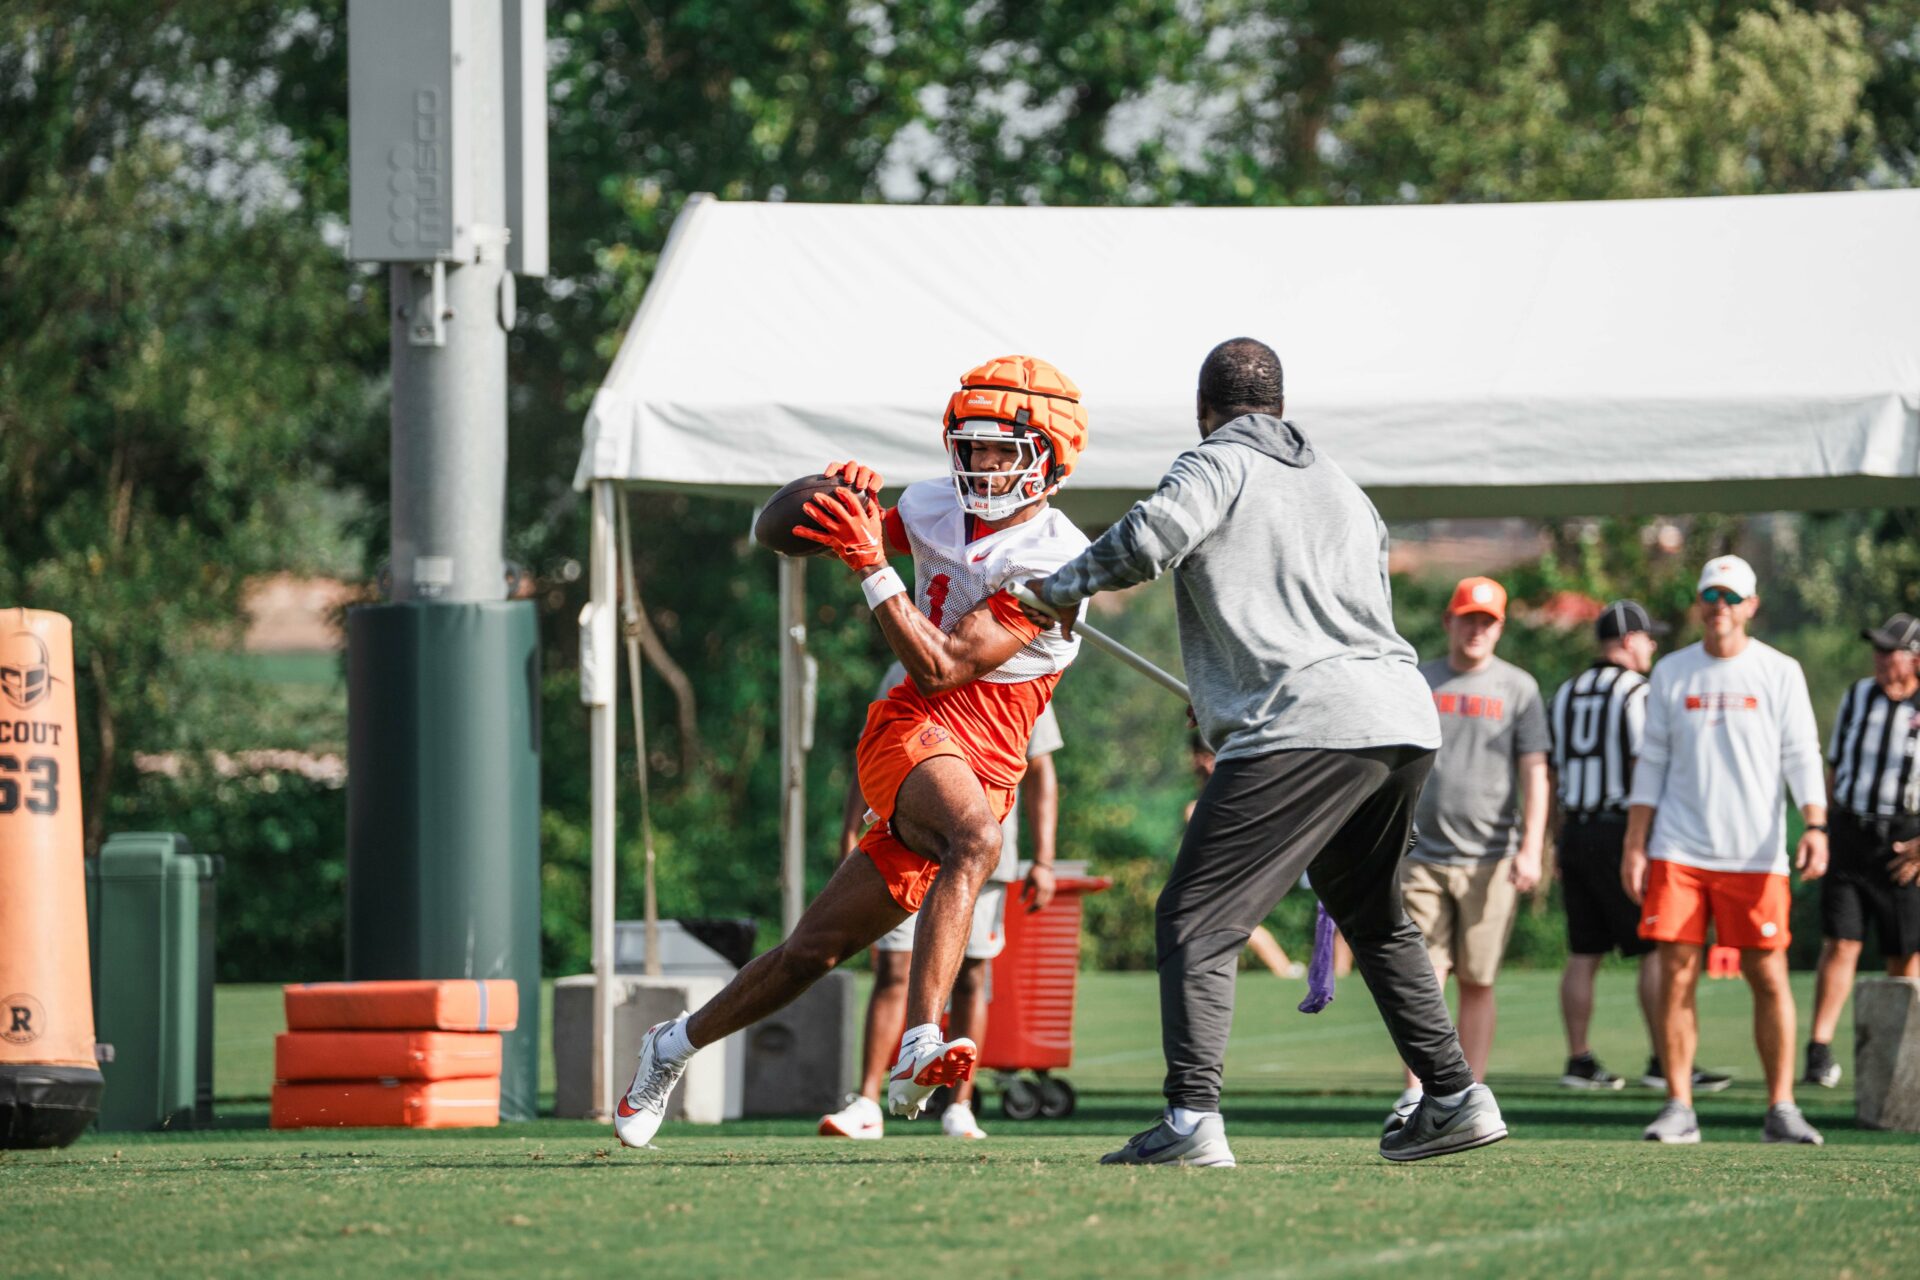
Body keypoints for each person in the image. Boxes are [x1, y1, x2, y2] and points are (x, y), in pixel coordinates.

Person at [1026, 336, 1501, 1167]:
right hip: (1398, 718)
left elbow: (1151, 536)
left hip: (1303, 723)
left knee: (1197, 916)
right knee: (1376, 920)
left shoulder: (1215, 462)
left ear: (1203, 410)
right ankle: (1456, 1097)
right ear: (1280, 406)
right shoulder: (1344, 488)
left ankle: (1191, 1120)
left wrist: (1055, 590)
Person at [613, 355, 1090, 1149]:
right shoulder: (932, 504)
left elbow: (947, 660)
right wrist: (827, 492)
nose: (981, 463)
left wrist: (871, 563)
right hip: (911, 727)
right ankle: (921, 1042)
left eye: (1001, 450)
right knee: (976, 838)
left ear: (1049, 458)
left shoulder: (1055, 557)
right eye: (971, 446)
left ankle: (671, 1046)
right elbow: (777, 534)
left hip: (986, 759)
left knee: (810, 953)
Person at [1623, 554, 1829, 1145]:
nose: (1721, 607)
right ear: (1700, 603)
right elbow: (1652, 761)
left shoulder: (1779, 670)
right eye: (1711, 596)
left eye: (1732, 597)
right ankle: (1679, 1106)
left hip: (1755, 856)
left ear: (1751, 606)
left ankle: (1781, 1108)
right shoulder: (1672, 671)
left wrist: (1816, 825)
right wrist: (1635, 844)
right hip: (1678, 849)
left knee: (1768, 976)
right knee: (1676, 975)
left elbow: (1801, 754)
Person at [819, 662, 1062, 1141]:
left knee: (971, 975)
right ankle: (867, 1102)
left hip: (983, 850)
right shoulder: (905, 661)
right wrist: (850, 830)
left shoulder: (1026, 660)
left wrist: (1045, 859)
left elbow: (1040, 769)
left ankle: (960, 1107)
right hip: (906, 842)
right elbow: (873, 745)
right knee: (893, 969)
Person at [1392, 577, 1548, 1116]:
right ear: (1449, 622)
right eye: (1468, 619)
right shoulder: (1420, 680)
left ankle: (1465, 1095)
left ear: (1499, 627)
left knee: (1478, 980)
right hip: (1419, 854)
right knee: (1423, 978)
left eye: (1487, 621)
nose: (1477, 629)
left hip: (1492, 859)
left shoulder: (1519, 688)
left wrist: (1532, 847)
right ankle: (1416, 1094)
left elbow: (1534, 771)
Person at [1802, 612, 1920, 1089]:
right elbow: (1835, 767)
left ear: (1914, 658)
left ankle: (1900, 1059)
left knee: (1904, 956)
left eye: (1890, 650)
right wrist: (1823, 825)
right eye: (1877, 649)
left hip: (1905, 842)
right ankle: (1818, 1050)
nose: (1880, 657)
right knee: (1840, 942)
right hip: (1850, 833)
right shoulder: (1858, 696)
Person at [1187, 735, 1305, 979]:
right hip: (1215, 869)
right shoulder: (1210, 785)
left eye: (1201, 757)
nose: (1196, 762)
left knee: (1236, 924)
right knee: (1222, 925)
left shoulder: (1230, 780)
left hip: (1227, 869)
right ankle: (1282, 968)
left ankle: (1283, 968)